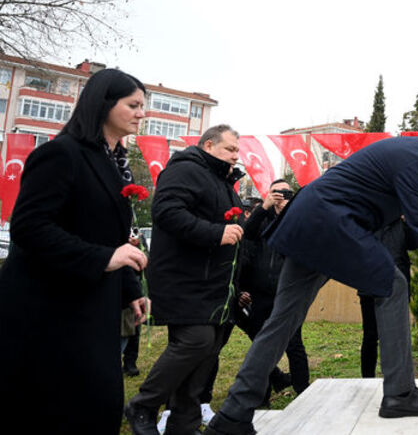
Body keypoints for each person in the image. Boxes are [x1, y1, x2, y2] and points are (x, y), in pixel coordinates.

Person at [207, 121, 418, 435]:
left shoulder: (408, 153)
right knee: (393, 287)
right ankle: (400, 393)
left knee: (282, 320)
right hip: (329, 224)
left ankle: (232, 415)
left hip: (309, 223)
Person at [0, 69, 149, 434]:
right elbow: (29, 227)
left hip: (93, 304)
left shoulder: (115, 163)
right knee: (61, 409)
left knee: (96, 405)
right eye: (133, 104)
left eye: (143, 106)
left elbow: (111, 234)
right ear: (103, 103)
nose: (142, 113)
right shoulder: (60, 154)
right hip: (49, 312)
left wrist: (130, 289)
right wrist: (103, 259)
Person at [125, 125, 245, 435]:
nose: (236, 155)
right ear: (208, 145)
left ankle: (183, 424)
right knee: (195, 342)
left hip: (216, 285)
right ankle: (144, 404)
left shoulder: (224, 181)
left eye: (237, 150)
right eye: (230, 149)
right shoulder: (186, 170)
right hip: (185, 281)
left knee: (207, 352)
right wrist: (215, 233)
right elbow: (166, 212)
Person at [236, 179, 308, 396]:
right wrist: (265, 207)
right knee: (261, 344)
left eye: (286, 193)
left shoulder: (296, 218)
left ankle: (303, 390)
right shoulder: (261, 219)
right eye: (277, 192)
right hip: (260, 293)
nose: (281, 197)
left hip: (286, 293)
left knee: (294, 344)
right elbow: (247, 234)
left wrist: (288, 211)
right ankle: (262, 393)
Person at [359, 217, 416, 378]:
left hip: (396, 288)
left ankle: (397, 379)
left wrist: (408, 222)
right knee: (370, 335)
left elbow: (415, 243)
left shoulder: (401, 223)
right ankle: (367, 378)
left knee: (396, 337)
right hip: (369, 285)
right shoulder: (367, 220)